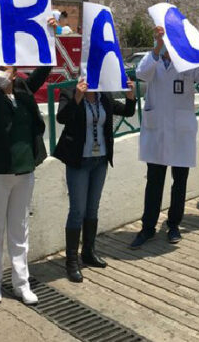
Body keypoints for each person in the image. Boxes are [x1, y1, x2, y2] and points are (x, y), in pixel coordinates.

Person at [0, 13, 56, 306]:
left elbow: (44, 70)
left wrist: (49, 36)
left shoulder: (23, 91)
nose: (1, 71)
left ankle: (21, 282)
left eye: (5, 67)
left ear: (15, 71)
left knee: (19, 229)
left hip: (23, 171)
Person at [129, 26, 199, 248]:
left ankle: (173, 224)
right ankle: (148, 227)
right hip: (157, 131)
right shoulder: (152, 60)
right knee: (154, 181)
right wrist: (157, 45)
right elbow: (141, 74)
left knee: (179, 181)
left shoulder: (188, 64)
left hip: (180, 131)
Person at [53, 78, 136, 282]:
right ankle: (71, 261)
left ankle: (88, 252)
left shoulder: (104, 96)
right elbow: (61, 118)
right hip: (79, 160)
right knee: (77, 210)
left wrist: (131, 98)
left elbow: (127, 112)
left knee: (92, 208)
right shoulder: (69, 92)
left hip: (100, 160)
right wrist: (77, 98)